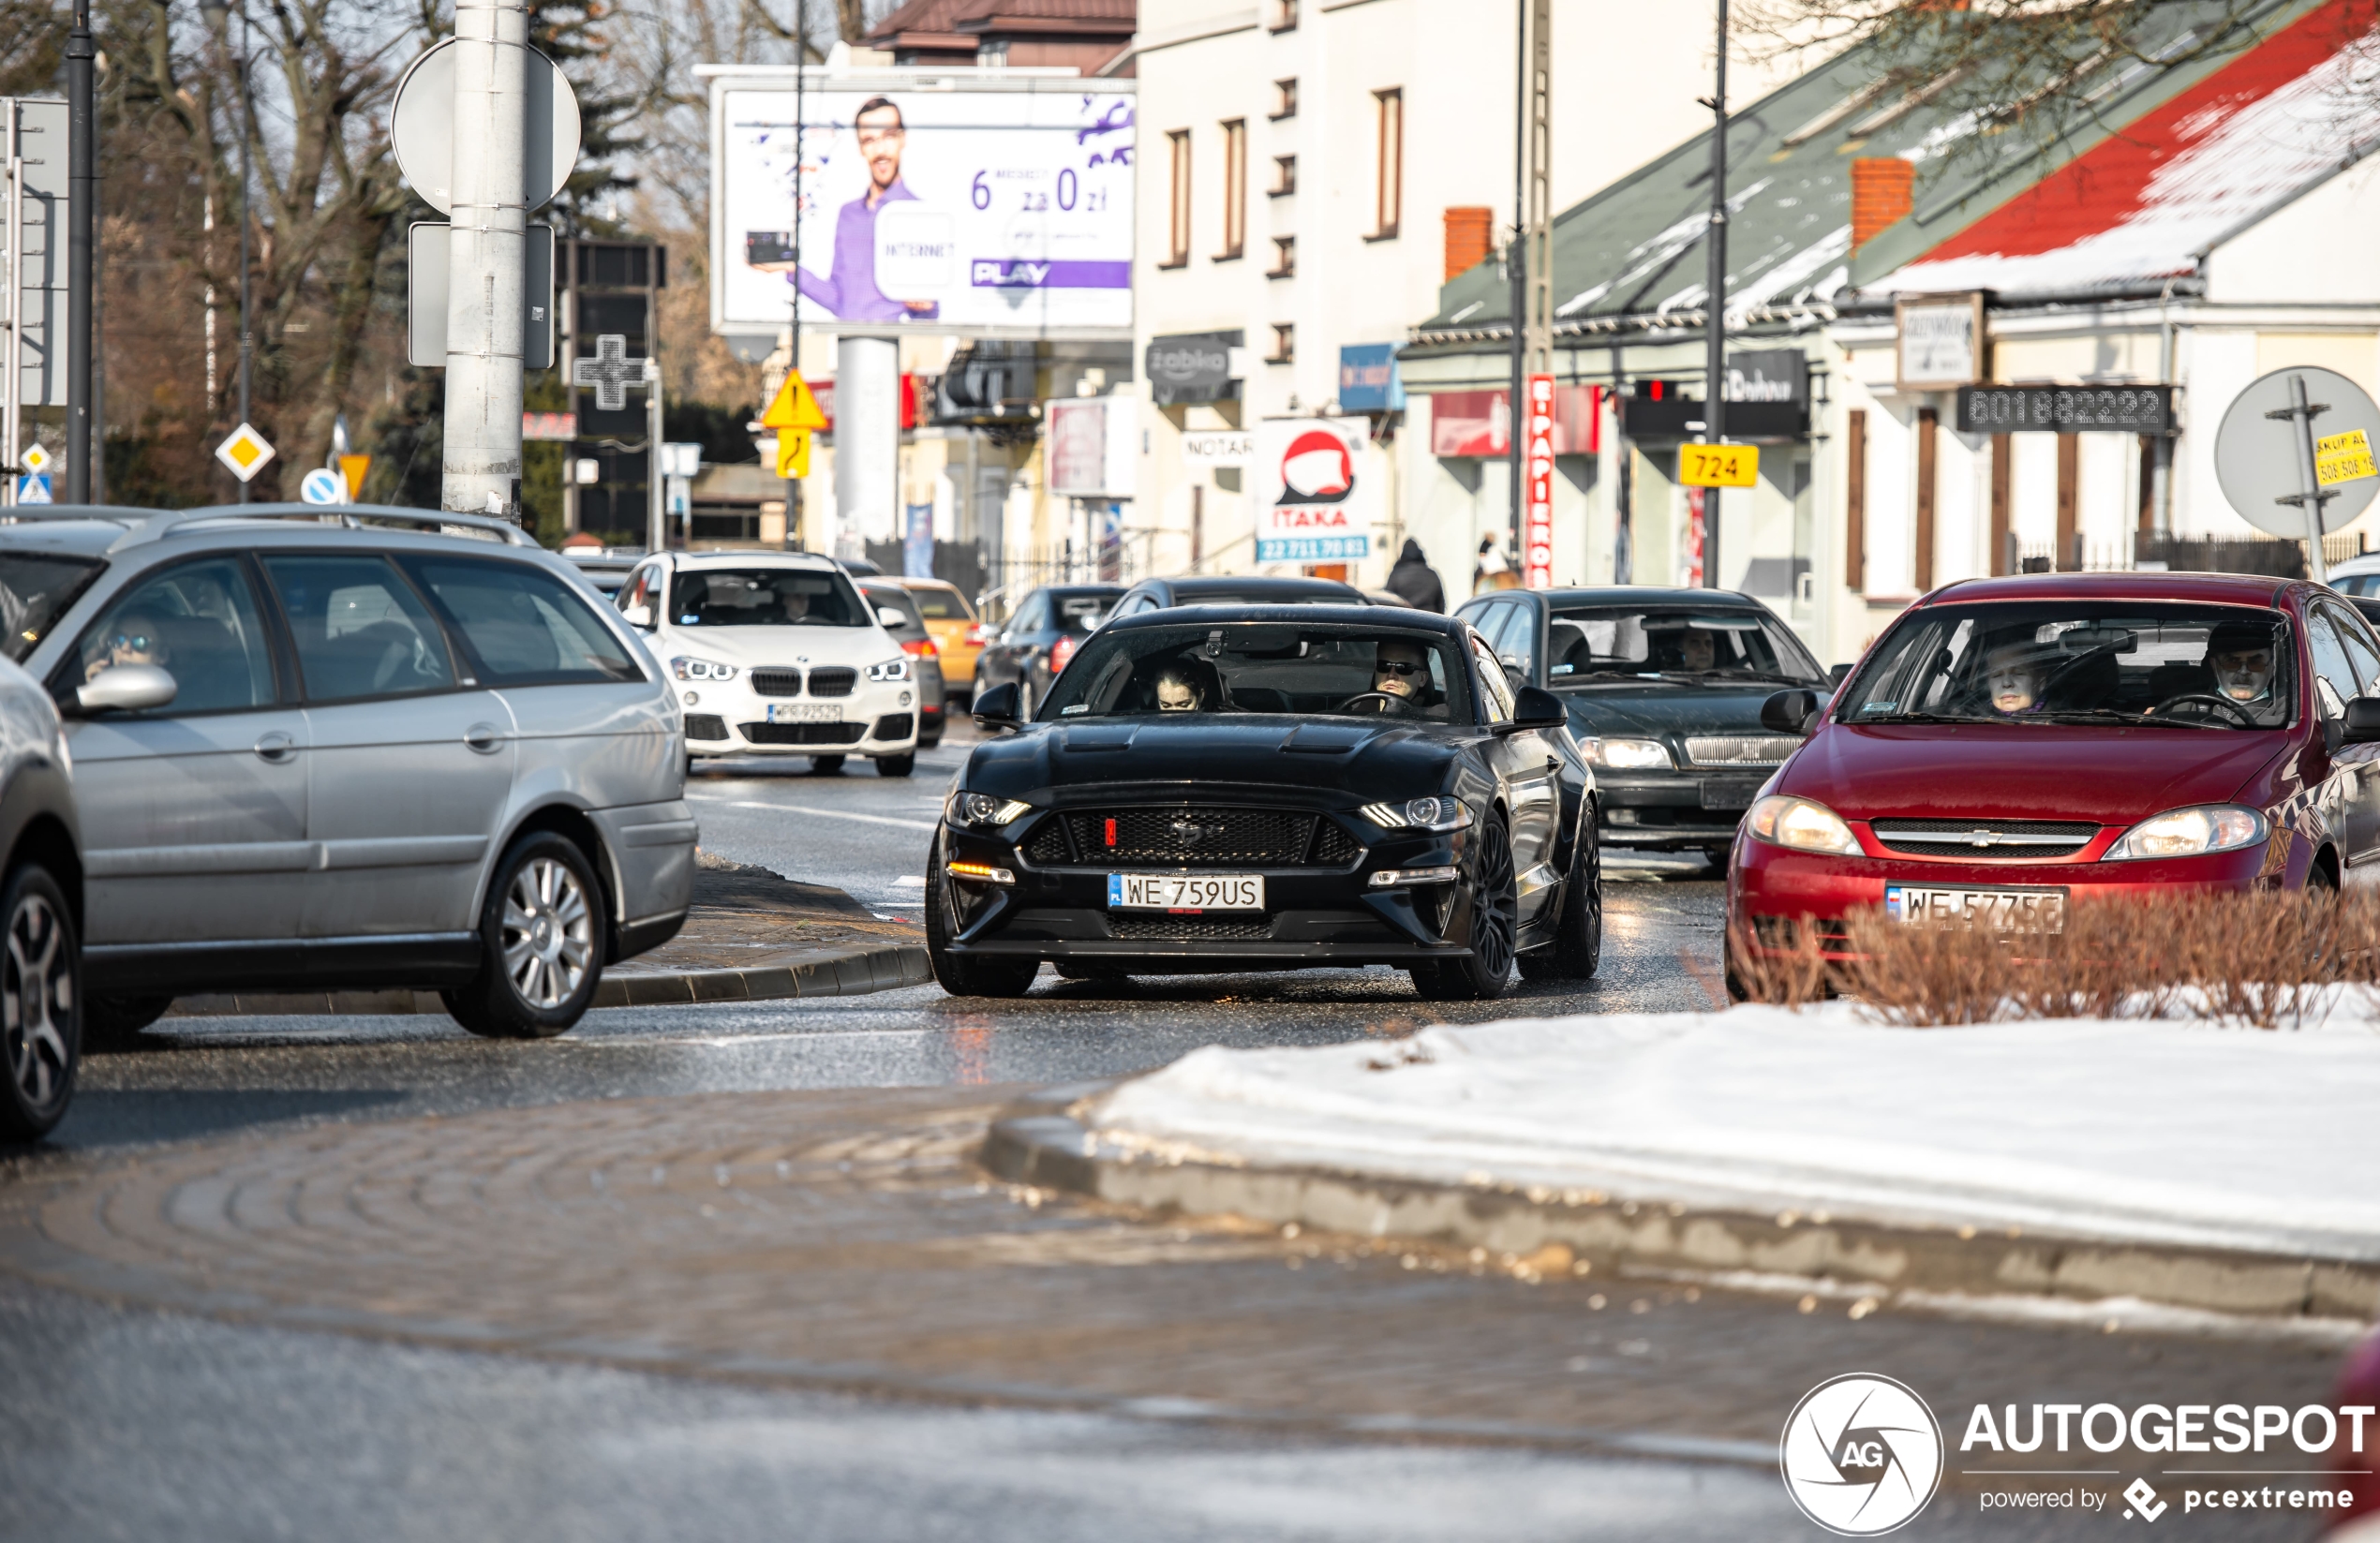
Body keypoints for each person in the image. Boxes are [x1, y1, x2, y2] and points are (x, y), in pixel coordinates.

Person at [790, 97, 939, 324]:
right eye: (869, 140)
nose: (880, 150)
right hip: (848, 348)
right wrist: (791, 269)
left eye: (888, 136)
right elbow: (841, 301)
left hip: (898, 347)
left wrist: (925, 308)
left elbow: (929, 307)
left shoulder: (918, 214)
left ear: (902, 138)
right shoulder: (848, 215)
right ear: (860, 147)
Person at [85, 610, 170, 683]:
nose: (125, 648)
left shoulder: (176, 698)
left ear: (162, 655)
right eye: (118, 639)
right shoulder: (100, 685)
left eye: (140, 642)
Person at [2206, 620, 2278, 705]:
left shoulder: (2291, 711)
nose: (2243, 672)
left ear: (2273, 667)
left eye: (2255, 663)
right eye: (2232, 662)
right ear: (2214, 665)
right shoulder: (2190, 708)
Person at [1983, 641, 2046, 716]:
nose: (2006, 683)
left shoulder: (2058, 720)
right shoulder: (1973, 717)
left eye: (2018, 673)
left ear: (2041, 681)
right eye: (1997, 675)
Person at [1385, 538, 1445, 612]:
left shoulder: (1396, 574)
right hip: (1430, 619)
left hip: (1405, 619)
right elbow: (1441, 604)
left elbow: (1387, 601)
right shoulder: (1432, 574)